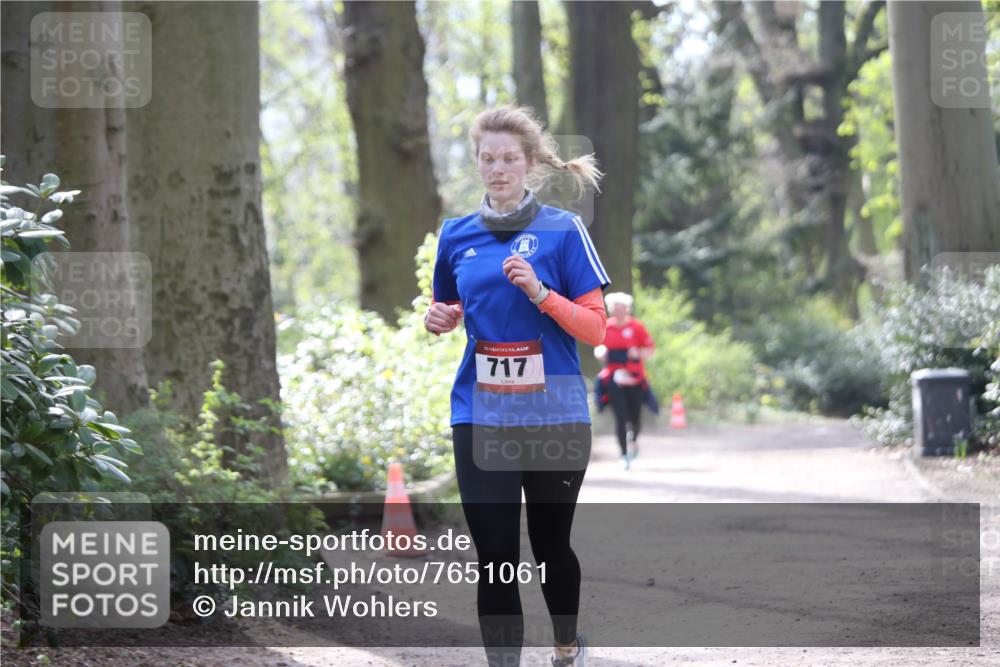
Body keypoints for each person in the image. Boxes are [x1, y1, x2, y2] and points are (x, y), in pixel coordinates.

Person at [424, 106, 610, 667]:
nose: (498, 168)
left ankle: (565, 646)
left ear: (530, 164)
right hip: (480, 413)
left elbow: (597, 328)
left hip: (554, 414)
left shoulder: (562, 230)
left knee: (550, 549)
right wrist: (440, 317)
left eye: (509, 158)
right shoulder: (456, 235)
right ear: (478, 164)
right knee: (496, 554)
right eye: (488, 158)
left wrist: (541, 294)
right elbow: (451, 304)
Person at [594, 292, 655, 470]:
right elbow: (598, 346)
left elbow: (650, 349)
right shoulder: (605, 326)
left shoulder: (637, 327)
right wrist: (601, 352)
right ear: (611, 310)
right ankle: (623, 454)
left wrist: (638, 352)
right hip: (613, 378)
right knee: (620, 417)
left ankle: (633, 439)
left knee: (635, 417)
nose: (618, 311)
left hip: (634, 378)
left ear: (627, 309)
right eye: (615, 308)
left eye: (621, 308)